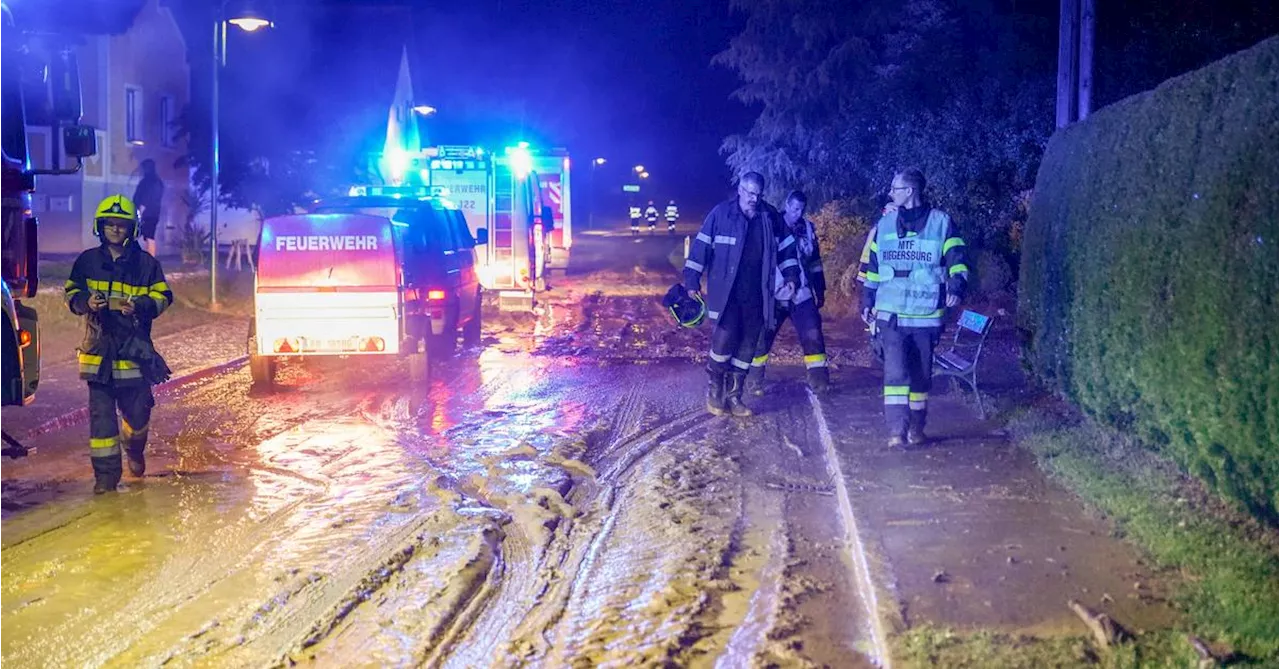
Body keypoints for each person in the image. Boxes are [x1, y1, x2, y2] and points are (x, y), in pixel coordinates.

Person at [65, 195, 174, 494]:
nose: (115, 229)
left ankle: (134, 449)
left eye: (121, 224)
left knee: (138, 416)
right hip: (98, 356)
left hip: (133, 355)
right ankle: (106, 479)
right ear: (100, 227)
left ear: (132, 229)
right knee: (101, 423)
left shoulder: (146, 264)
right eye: (110, 224)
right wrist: (85, 301)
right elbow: (71, 292)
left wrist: (139, 305)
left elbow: (164, 296)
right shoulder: (87, 261)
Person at [861, 169, 968, 447]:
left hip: (925, 316)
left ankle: (917, 428)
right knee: (895, 374)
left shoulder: (941, 223)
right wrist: (867, 300)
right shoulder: (884, 225)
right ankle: (897, 431)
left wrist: (956, 286)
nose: (891, 193)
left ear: (909, 191)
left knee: (920, 376)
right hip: (891, 315)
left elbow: (957, 258)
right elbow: (873, 267)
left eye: (895, 189)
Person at [683, 172, 801, 417]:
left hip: (758, 295)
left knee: (748, 347)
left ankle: (734, 396)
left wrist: (791, 278)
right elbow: (700, 247)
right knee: (723, 342)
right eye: (749, 193)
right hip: (726, 294)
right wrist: (692, 280)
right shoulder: (721, 214)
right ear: (740, 190)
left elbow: (788, 249)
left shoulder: (769, 217)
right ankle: (715, 390)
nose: (753, 199)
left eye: (758, 194)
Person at [747, 190, 829, 395]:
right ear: (787, 205)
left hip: (801, 293)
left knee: (813, 334)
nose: (797, 213)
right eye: (793, 208)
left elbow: (815, 261)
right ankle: (754, 381)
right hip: (774, 293)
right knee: (762, 338)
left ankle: (819, 382)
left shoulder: (808, 229)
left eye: (800, 209)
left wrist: (820, 289)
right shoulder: (772, 226)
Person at [132, 159, 164, 256]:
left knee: (148, 236)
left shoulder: (150, 181)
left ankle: (150, 260)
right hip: (151, 213)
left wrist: (141, 211)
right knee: (148, 236)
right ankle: (148, 259)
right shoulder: (154, 181)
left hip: (147, 214)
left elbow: (147, 198)